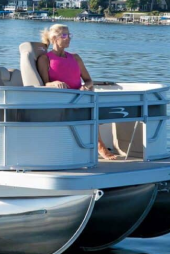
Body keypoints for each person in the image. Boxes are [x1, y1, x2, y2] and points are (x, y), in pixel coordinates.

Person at [36, 24, 117, 160]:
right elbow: (44, 84)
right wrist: (54, 83)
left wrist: (86, 86)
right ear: (55, 38)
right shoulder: (45, 59)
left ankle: (99, 145)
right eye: (64, 35)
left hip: (81, 96)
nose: (69, 38)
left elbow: (89, 80)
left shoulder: (76, 57)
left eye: (69, 35)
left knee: (94, 104)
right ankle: (99, 146)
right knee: (89, 109)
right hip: (62, 99)